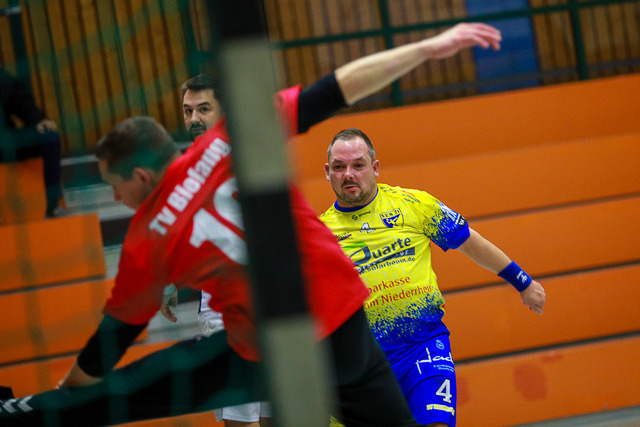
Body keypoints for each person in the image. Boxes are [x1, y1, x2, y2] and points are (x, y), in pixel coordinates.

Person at [0, 23, 503, 426]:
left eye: (115, 187)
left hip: (257, 347)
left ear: (141, 176)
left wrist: (64, 399)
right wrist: (427, 48)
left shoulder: (147, 237)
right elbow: (336, 88)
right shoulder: (232, 136)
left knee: (143, 387)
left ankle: (23, 413)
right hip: (339, 324)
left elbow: (106, 347)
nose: (115, 198)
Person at [319, 128, 547, 426]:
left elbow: (469, 242)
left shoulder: (413, 204)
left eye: (358, 165)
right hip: (362, 366)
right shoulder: (319, 234)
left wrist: (522, 281)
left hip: (423, 347)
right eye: (339, 167)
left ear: (375, 168)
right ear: (328, 172)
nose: (348, 174)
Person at [161, 74, 272, 427]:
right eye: (187, 110)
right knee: (241, 421)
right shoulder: (185, 168)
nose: (194, 118)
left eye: (203, 109)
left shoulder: (255, 155)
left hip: (272, 304)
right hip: (223, 312)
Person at [0, 69, 65, 218]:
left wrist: (39, 121)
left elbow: (23, 104)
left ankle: (53, 205)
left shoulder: (3, 79)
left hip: (7, 140)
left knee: (49, 137)